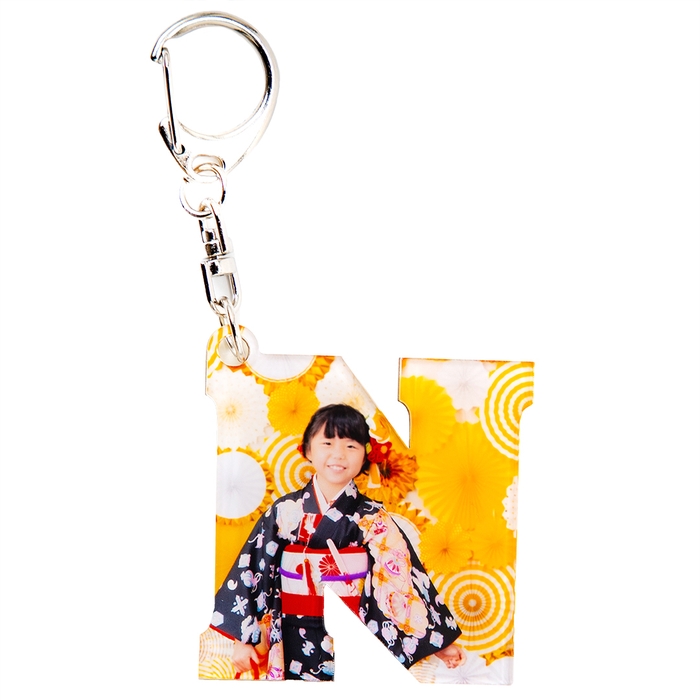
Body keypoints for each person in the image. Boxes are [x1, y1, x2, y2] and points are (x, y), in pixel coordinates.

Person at [209, 403, 465, 680]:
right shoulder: (285, 511)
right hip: (291, 631)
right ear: (308, 450)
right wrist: (243, 638)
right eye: (327, 443)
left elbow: (402, 576)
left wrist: (440, 641)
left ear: (366, 455)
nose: (338, 454)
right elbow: (253, 568)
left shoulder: (372, 517)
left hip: (354, 633)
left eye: (351, 446)